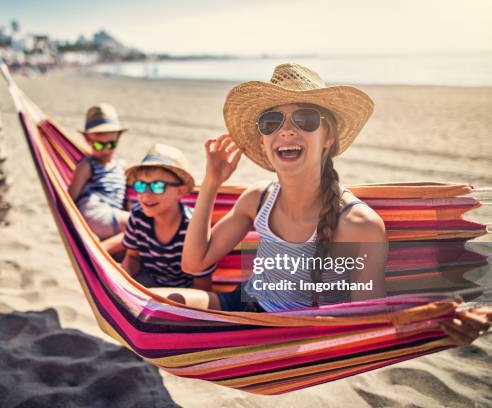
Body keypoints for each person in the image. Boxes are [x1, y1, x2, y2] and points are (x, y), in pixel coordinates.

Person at [151, 63, 490, 346]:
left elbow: (369, 317)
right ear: (263, 140)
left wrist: (437, 320)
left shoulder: (357, 223)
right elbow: (195, 263)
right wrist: (211, 183)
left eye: (306, 119)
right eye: (272, 123)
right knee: (154, 309)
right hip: (244, 306)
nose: (286, 131)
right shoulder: (257, 199)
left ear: (328, 137)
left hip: (301, 335)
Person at [121, 144, 214, 290]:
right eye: (140, 185)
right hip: (149, 283)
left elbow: (202, 287)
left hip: (183, 293)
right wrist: (123, 280)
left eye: (157, 186)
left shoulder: (193, 229)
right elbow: (133, 256)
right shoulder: (138, 216)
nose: (146, 194)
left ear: (180, 191)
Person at [68, 104, 129, 254]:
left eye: (111, 144)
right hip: (94, 212)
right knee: (143, 225)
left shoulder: (121, 166)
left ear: (118, 138)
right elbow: (69, 199)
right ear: (87, 140)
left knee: (144, 227)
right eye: (99, 145)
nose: (106, 150)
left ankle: (103, 248)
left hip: (112, 216)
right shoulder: (87, 165)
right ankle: (100, 250)